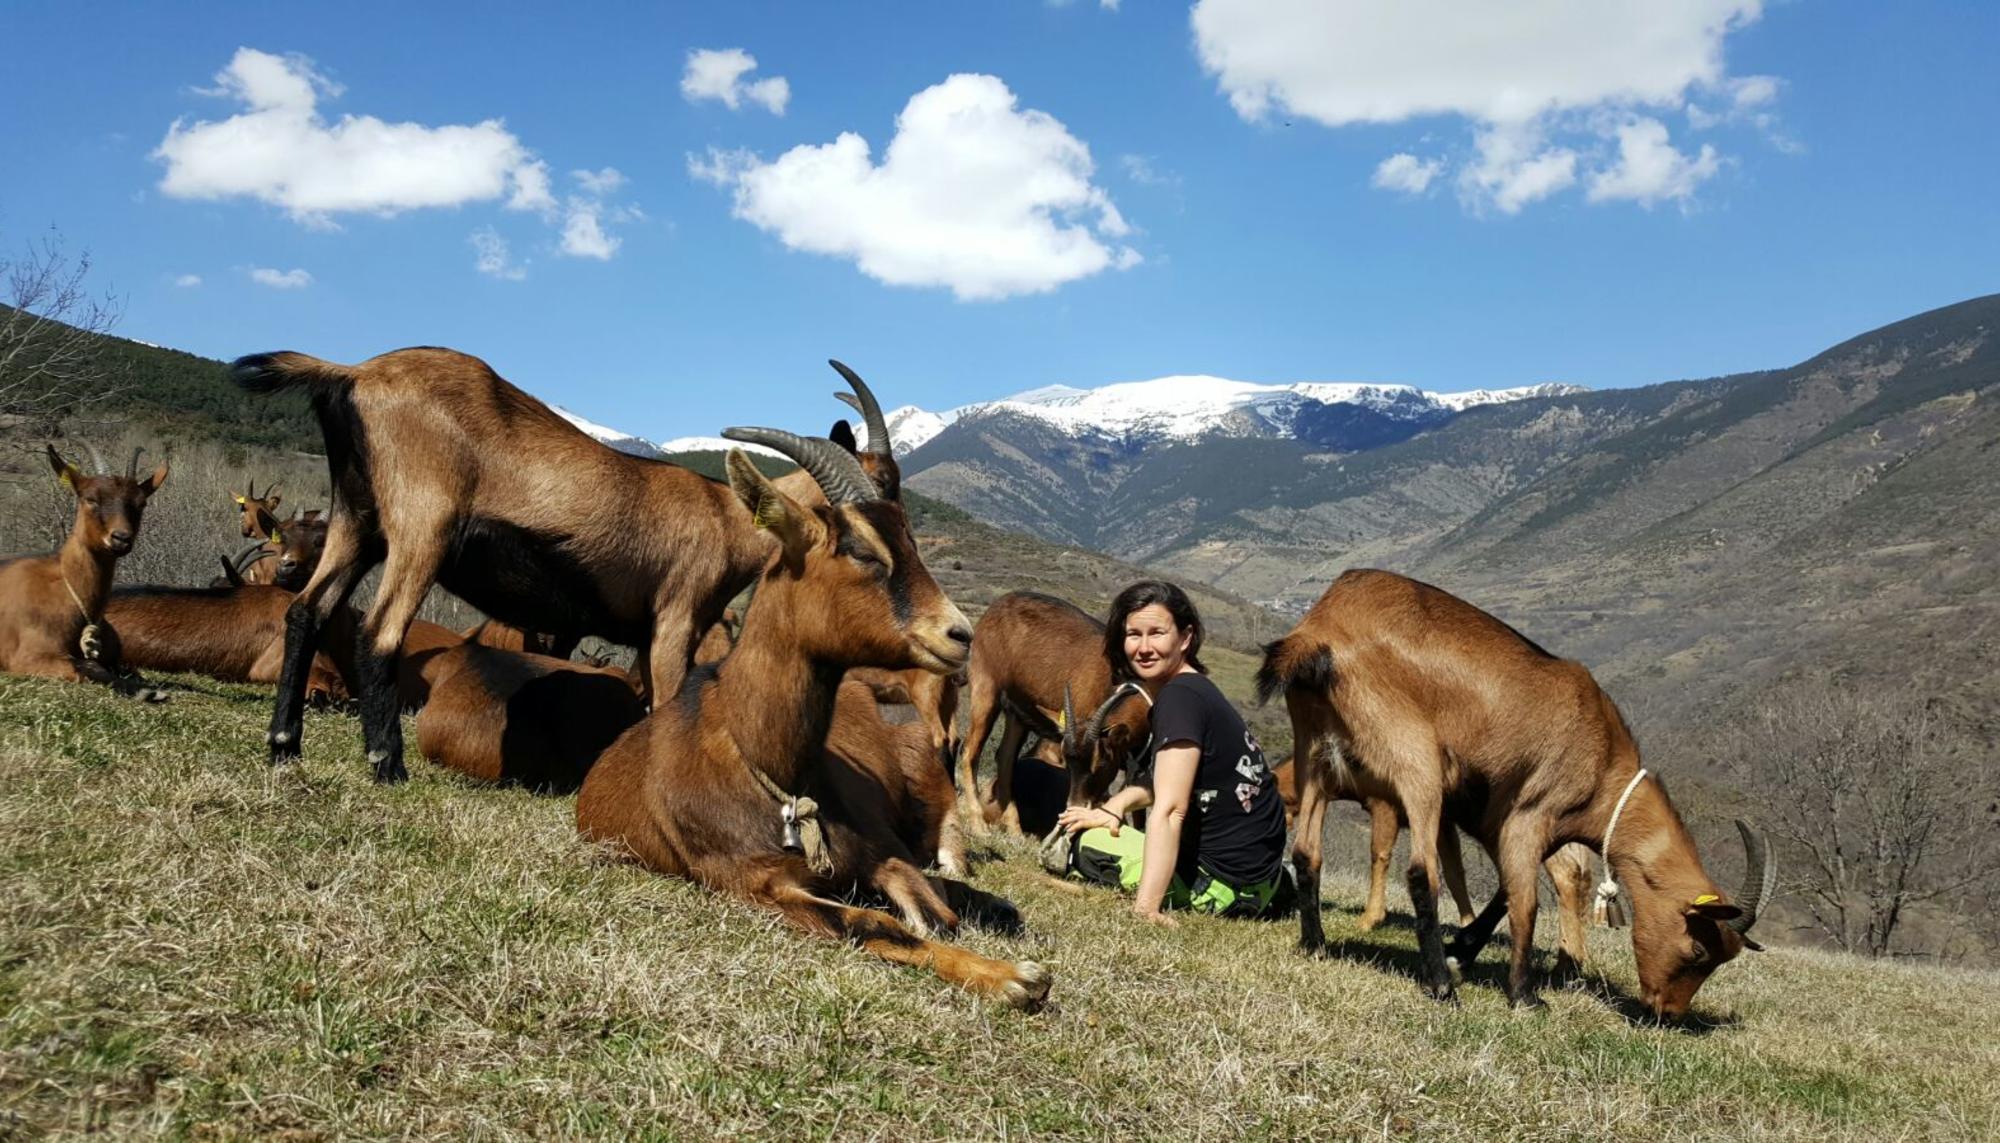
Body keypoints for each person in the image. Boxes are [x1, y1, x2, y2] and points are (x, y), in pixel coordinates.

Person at [1052, 580, 1292, 924]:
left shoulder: (1178, 701)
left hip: (1218, 888)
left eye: (1157, 633)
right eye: (1134, 634)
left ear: (1185, 637)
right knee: (1112, 828)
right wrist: (1115, 807)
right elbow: (1167, 779)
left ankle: (1180, 890)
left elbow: (1170, 811)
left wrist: (1147, 907)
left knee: (1084, 843)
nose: (1144, 647)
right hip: (1263, 882)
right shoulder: (1198, 690)